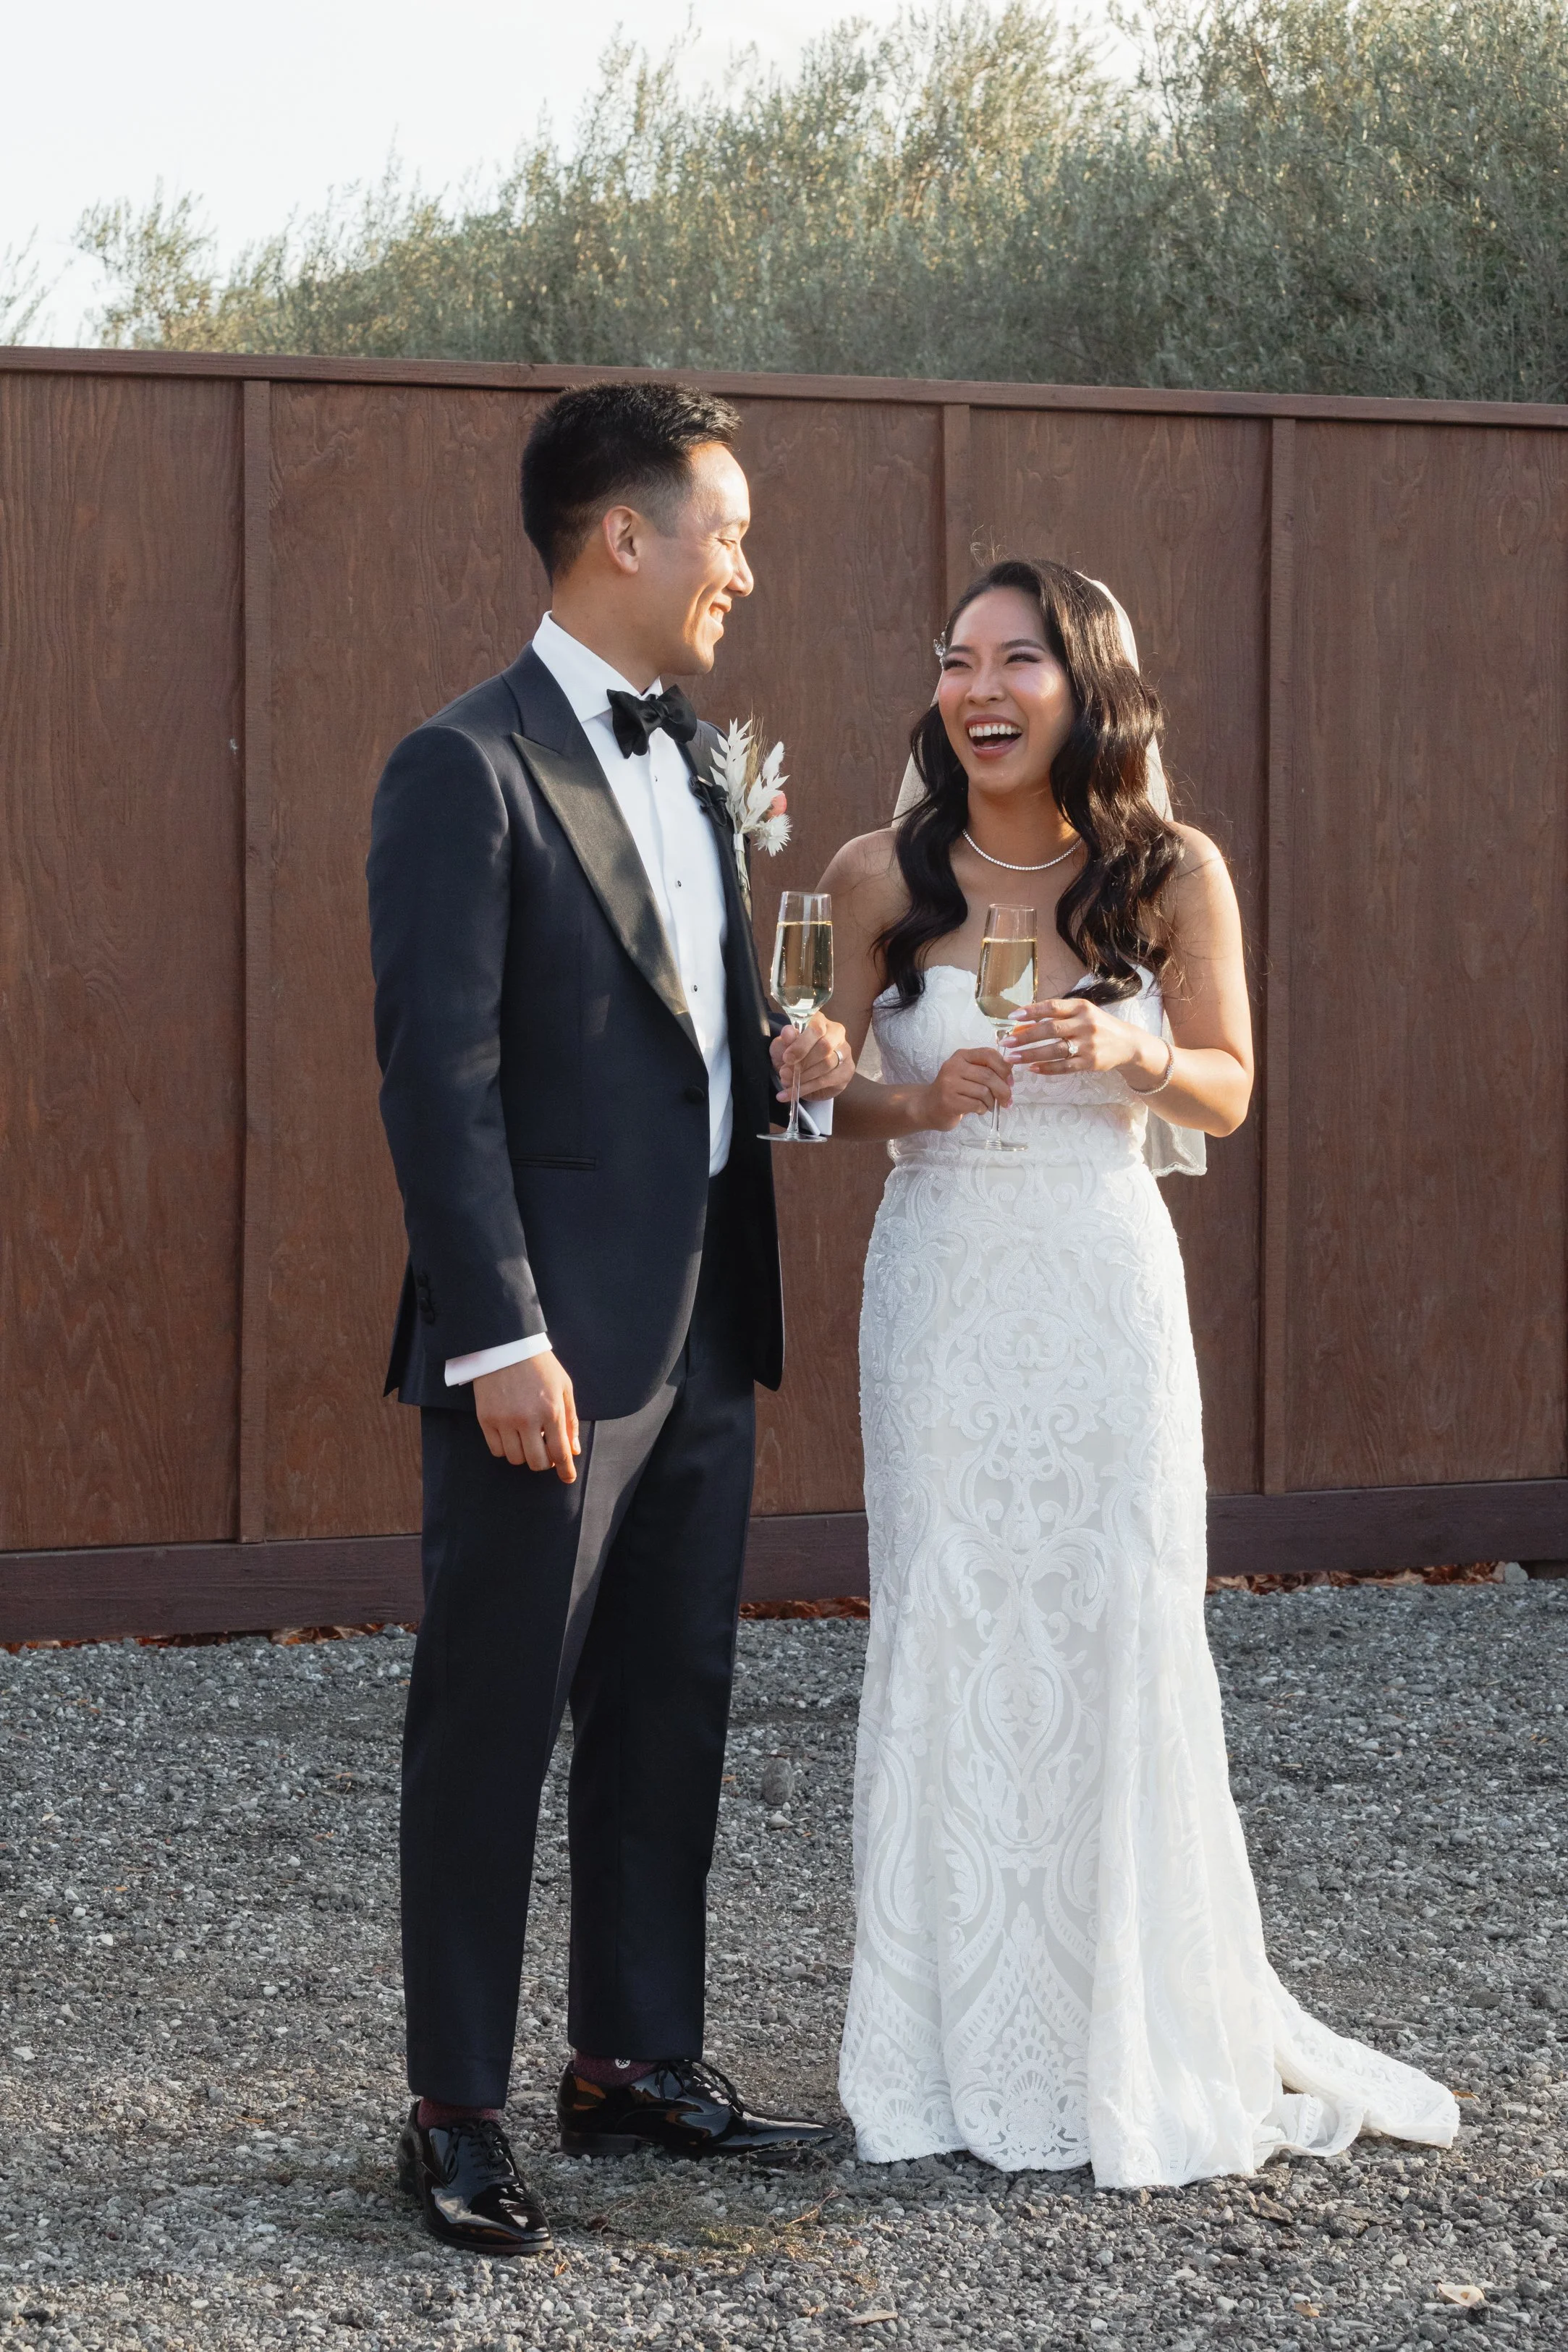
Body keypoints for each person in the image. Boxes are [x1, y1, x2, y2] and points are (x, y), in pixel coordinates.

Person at [819, 558, 1458, 2184]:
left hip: (1100, 1286)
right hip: (946, 1287)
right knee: (956, 1614)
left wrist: (1135, 1051)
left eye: (1017, 658)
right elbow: (817, 1098)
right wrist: (905, 1095)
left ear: (1082, 681)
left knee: (1112, 1617)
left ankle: (1131, 2027)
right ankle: (947, 2042)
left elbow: (1229, 1092)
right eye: (956, 656)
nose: (980, 688)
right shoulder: (869, 873)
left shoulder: (1173, 873)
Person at [367, 382, 850, 2256]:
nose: (744, 561)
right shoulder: (458, 767)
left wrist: (783, 1071)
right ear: (620, 535)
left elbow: (679, 1035)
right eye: (722, 526)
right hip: (546, 1360)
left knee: (671, 1706)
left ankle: (631, 2062)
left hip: (708, 1324)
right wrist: (497, 1335)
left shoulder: (705, 754)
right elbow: (439, 1077)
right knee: (492, 1720)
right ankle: (454, 2108)